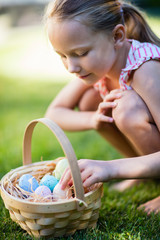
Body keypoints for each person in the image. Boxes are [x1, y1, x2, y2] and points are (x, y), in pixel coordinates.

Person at [44, 0, 160, 214]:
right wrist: (94, 118)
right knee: (92, 103)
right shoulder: (99, 65)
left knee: (126, 109)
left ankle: (141, 172)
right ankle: (141, 171)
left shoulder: (144, 68)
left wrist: (110, 168)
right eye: (62, 55)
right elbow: (54, 113)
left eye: (80, 53)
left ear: (117, 36)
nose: (71, 67)